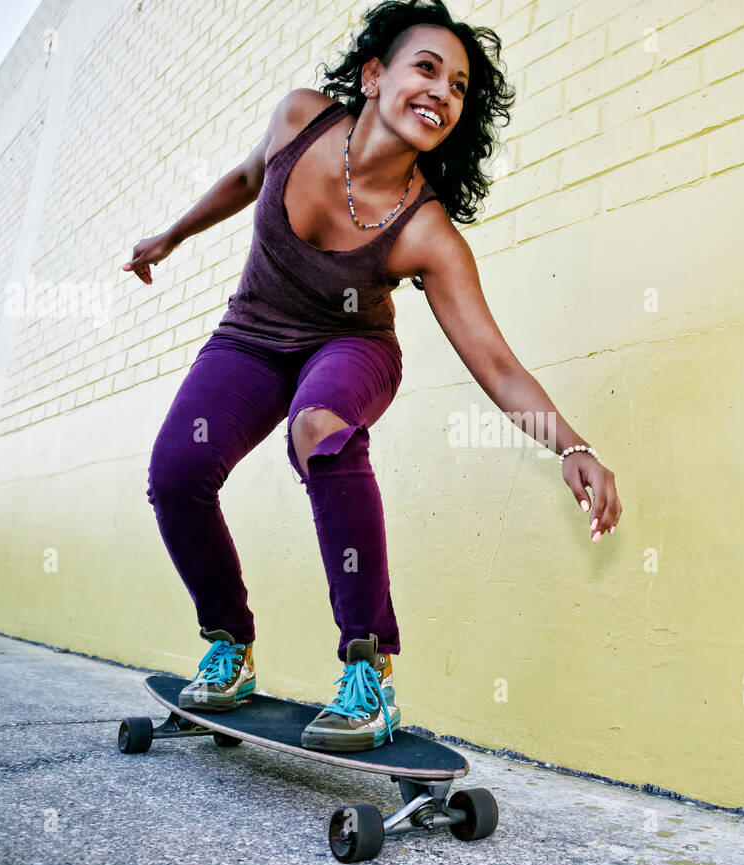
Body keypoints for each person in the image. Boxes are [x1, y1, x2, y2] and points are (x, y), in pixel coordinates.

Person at [123, 0, 622, 754]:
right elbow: (244, 177)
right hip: (250, 338)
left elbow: (493, 361)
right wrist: (171, 235)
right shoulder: (300, 118)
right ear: (373, 74)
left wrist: (572, 447)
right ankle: (228, 644)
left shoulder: (426, 231)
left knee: (318, 427)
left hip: (351, 348)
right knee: (177, 470)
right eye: (427, 68)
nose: (442, 92)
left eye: (459, 87)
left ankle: (368, 669)